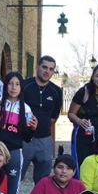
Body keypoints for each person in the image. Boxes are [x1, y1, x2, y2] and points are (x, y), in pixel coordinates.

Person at [22, 55, 63, 183]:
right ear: (37, 67)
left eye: (51, 69)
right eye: (44, 67)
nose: (47, 71)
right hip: (23, 139)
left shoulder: (56, 91)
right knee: (15, 177)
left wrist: (52, 143)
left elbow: (53, 119)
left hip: (44, 141)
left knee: (43, 181)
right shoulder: (24, 86)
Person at [67, 63, 98, 169]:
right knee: (82, 165)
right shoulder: (84, 92)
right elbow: (70, 114)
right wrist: (79, 121)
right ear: (92, 77)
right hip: (82, 135)